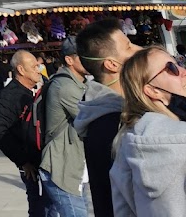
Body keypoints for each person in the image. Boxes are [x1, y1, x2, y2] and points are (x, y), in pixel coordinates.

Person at [75, 18, 140, 217]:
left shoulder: (105, 111)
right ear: (112, 64)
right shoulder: (113, 122)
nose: (138, 49)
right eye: (129, 47)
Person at [110, 46, 186, 217]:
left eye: (178, 63)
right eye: (171, 68)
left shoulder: (125, 143)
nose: (183, 71)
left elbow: (123, 211)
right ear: (153, 90)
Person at [0, 50, 46, 217]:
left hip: (37, 160)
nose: (39, 69)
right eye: (34, 66)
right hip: (30, 163)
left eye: (38, 65)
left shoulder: (26, 92)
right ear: (21, 70)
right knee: (37, 206)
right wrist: (23, 161)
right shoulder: (12, 94)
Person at [39, 37, 88, 217]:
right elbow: (93, 117)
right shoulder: (65, 86)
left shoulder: (80, 83)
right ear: (69, 59)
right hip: (61, 167)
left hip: (71, 165)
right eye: (83, 55)